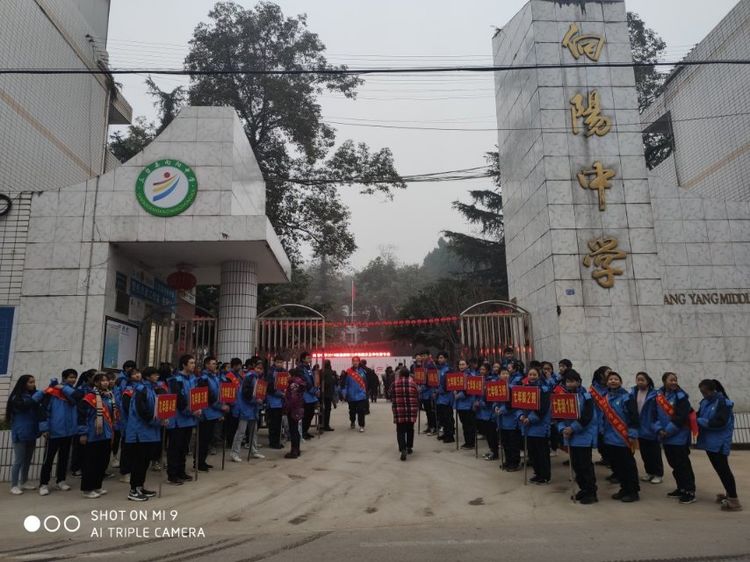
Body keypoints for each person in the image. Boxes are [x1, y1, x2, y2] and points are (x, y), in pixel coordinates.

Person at [696, 379, 742, 512]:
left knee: (724, 470)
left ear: (712, 390)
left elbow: (719, 423)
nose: (703, 395)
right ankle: (729, 494)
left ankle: (734, 500)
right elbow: (699, 415)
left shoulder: (723, 403)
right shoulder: (705, 402)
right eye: (701, 392)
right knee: (720, 470)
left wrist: (699, 420)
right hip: (709, 442)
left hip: (720, 443)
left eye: (705, 392)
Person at [655, 372, 697, 504]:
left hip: (678, 436)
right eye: (671, 380)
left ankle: (690, 491)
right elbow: (653, 415)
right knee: (674, 464)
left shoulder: (681, 397)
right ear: (664, 381)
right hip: (665, 437)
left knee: (683, 465)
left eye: (675, 380)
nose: (673, 382)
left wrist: (667, 431)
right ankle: (681, 488)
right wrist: (659, 429)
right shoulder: (658, 396)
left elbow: (681, 417)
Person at [38, 369, 82, 496]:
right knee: (49, 459)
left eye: (74, 377)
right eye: (70, 377)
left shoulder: (71, 392)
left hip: (68, 431)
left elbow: (78, 396)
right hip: (54, 431)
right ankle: (44, 484)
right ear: (64, 378)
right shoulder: (52, 392)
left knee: (64, 458)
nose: (73, 380)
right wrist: (44, 428)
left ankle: (61, 480)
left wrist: (63, 387)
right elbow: (43, 411)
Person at [558, 370, 598, 504]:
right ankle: (583, 489)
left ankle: (591, 492)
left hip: (583, 435)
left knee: (585, 465)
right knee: (576, 465)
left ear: (579, 382)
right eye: (567, 381)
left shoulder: (586, 397)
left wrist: (573, 428)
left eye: (572, 381)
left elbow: (587, 417)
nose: (569, 384)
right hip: (570, 436)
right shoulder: (562, 397)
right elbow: (558, 416)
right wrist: (563, 428)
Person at [126, 367, 163, 501]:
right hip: (140, 432)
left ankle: (140, 486)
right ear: (148, 377)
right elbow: (141, 411)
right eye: (154, 374)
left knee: (145, 461)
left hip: (149, 432)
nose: (157, 377)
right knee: (139, 461)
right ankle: (133, 490)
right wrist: (156, 421)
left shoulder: (151, 389)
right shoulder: (141, 390)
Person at [602, 372, 640, 502]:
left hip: (624, 437)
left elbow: (634, 417)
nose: (613, 381)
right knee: (617, 466)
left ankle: (633, 491)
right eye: (610, 379)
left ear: (621, 381)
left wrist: (632, 434)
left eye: (616, 379)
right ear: (607, 382)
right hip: (609, 438)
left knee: (628, 465)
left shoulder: (627, 397)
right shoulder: (605, 397)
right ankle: (624, 489)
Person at [77, 372, 115, 499]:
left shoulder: (109, 396)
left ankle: (97, 486)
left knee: (102, 462)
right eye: (102, 380)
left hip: (107, 433)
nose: (105, 382)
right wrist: (83, 433)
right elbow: (82, 417)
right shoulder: (89, 397)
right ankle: (87, 489)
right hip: (93, 434)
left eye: (107, 380)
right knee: (91, 462)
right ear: (96, 382)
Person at [6, 374, 44, 494]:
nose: (33, 384)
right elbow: (24, 406)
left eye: (33, 382)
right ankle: (14, 485)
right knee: (19, 460)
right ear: (24, 384)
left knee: (28, 459)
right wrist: (36, 398)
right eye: (30, 382)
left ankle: (24, 481)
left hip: (31, 432)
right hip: (20, 432)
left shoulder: (32, 396)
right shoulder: (16, 398)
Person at [166, 355, 199, 485]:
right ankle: (172, 475)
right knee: (175, 448)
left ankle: (181, 471)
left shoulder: (194, 379)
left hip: (190, 419)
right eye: (191, 363)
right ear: (184, 365)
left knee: (184, 448)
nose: (193, 365)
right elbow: (178, 399)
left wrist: (199, 407)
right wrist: (190, 410)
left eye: (194, 363)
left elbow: (197, 396)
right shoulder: (175, 380)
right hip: (177, 420)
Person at [518, 367, 552, 484]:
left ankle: (545, 475)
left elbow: (543, 408)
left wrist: (531, 419)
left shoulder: (544, 389)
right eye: (530, 374)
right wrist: (521, 416)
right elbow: (519, 404)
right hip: (527, 425)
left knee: (541, 452)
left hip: (540, 425)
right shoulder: (524, 388)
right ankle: (537, 473)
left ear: (539, 375)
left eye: (534, 374)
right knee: (532, 452)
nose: (532, 376)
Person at [629, 372, 664, 484]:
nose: (639, 382)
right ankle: (649, 472)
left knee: (654, 452)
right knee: (644, 452)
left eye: (642, 380)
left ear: (648, 381)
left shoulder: (655, 394)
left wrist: (657, 426)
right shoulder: (633, 392)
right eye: (638, 379)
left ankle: (658, 474)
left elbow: (659, 411)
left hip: (651, 426)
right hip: (639, 427)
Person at [196, 356, 229, 471]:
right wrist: (220, 406)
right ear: (206, 365)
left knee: (209, 438)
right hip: (206, 412)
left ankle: (202, 461)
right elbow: (208, 397)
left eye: (215, 364)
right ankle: (198, 462)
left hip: (214, 412)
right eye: (213, 363)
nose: (215, 365)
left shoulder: (216, 377)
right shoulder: (203, 378)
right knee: (203, 439)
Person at [231, 361, 265, 462]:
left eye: (261, 368)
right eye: (258, 368)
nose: (259, 370)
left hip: (253, 408)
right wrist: (255, 400)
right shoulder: (249, 377)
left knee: (253, 431)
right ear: (254, 368)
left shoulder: (258, 378)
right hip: (245, 407)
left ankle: (254, 450)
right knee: (241, 431)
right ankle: (234, 452)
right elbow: (246, 393)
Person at [70, 369, 95, 478]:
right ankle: (76, 468)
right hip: (82, 422)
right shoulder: (81, 390)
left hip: (93, 423)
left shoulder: (95, 389)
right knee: (79, 447)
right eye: (95, 376)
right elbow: (80, 409)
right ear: (88, 378)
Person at [111, 360, 137, 469]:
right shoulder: (121, 380)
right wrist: (120, 408)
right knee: (119, 437)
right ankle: (114, 457)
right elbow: (118, 396)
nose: (130, 369)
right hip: (121, 412)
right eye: (128, 367)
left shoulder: (133, 382)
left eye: (132, 367)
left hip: (129, 414)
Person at [391, 367, 419, 461]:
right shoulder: (413, 384)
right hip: (411, 410)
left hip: (399, 411)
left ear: (400, 375)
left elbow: (389, 394)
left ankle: (402, 448)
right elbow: (417, 394)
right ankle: (409, 447)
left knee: (400, 430)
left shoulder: (394, 384)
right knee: (410, 429)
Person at [497, 368, 521, 471]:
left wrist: (503, 409)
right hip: (501, 420)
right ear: (499, 375)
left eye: (507, 373)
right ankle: (508, 460)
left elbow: (514, 404)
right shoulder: (496, 388)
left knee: (513, 443)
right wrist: (495, 407)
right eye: (503, 373)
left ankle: (514, 463)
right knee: (505, 442)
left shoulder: (513, 388)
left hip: (512, 420)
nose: (505, 375)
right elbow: (493, 400)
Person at [476, 363, 499, 461]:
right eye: (480, 369)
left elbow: (490, 398)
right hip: (481, 412)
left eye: (484, 369)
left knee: (492, 434)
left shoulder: (491, 381)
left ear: (488, 371)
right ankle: (491, 450)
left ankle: (495, 452)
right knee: (487, 433)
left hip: (490, 412)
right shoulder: (477, 381)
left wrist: (481, 403)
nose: (482, 371)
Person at [283, 368, 307, 458]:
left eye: (288, 375)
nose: (287, 376)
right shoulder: (299, 382)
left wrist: (286, 407)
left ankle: (294, 451)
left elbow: (293, 398)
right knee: (295, 429)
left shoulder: (293, 384)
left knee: (293, 430)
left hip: (293, 409)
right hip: (298, 408)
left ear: (293, 375)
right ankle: (297, 449)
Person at [340, 357, 369, 432]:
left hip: (361, 395)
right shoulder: (348, 372)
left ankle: (361, 425)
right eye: (354, 361)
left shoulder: (363, 371)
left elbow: (366, 383)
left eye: (357, 361)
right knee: (352, 411)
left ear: (359, 362)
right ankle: (352, 421)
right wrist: (344, 393)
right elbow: (344, 384)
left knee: (361, 410)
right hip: (351, 395)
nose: (355, 362)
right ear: (352, 362)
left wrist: (366, 391)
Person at [222, 357, 244, 448]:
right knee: (231, 424)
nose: (239, 367)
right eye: (238, 365)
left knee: (236, 424)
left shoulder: (239, 375)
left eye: (240, 365)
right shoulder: (228, 376)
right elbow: (226, 390)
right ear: (234, 366)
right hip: (232, 403)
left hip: (239, 402)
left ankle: (235, 441)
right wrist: (229, 403)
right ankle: (230, 442)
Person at [266, 356, 287, 449]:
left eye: (281, 362)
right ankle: (273, 442)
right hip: (272, 401)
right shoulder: (270, 372)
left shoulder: (284, 372)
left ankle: (277, 441)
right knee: (273, 423)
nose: (280, 364)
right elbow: (269, 387)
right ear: (274, 362)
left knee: (278, 423)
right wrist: (280, 394)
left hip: (280, 402)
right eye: (278, 362)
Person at [413, 352, 436, 436]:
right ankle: (429, 427)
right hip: (423, 392)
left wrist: (422, 388)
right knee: (427, 411)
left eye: (424, 356)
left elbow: (432, 380)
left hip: (429, 391)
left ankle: (433, 427)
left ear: (428, 355)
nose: (422, 357)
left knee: (430, 411)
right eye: (421, 356)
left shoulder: (430, 365)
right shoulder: (423, 365)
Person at [297, 352, 319, 439]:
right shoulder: (300, 369)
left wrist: (317, 389)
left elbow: (314, 380)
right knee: (305, 415)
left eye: (310, 358)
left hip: (311, 396)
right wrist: (313, 390)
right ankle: (302, 432)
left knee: (310, 414)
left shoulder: (309, 368)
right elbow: (304, 382)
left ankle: (305, 431)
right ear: (303, 359)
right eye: (308, 358)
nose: (310, 359)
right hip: (305, 395)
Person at [455, 359, 476, 450]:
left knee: (469, 424)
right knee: (464, 424)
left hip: (468, 404)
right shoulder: (457, 376)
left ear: (467, 365)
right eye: (460, 364)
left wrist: (461, 395)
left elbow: (471, 389)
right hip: (460, 405)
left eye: (463, 364)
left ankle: (470, 443)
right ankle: (467, 442)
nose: (461, 366)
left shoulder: (471, 375)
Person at [435, 352, 454, 443]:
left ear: (446, 359)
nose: (439, 359)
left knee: (448, 418)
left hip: (446, 398)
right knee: (442, 418)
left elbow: (449, 385)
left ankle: (450, 436)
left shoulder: (448, 370)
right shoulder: (439, 370)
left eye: (441, 357)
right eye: (439, 358)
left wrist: (440, 391)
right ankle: (446, 433)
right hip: (440, 398)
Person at [321, 360, 337, 431]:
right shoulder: (331, 372)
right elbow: (332, 383)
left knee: (322, 410)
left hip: (321, 394)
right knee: (327, 410)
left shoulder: (321, 371)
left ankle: (321, 424)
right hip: (328, 394)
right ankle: (326, 425)